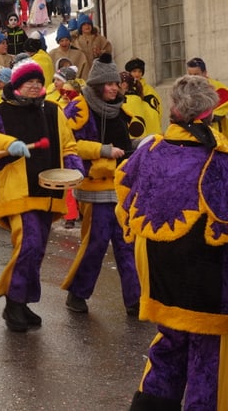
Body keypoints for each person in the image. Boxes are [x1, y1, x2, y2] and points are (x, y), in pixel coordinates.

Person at [117, 74, 228, 410]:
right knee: (206, 357)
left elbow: (124, 187)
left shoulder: (150, 151)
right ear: (210, 112)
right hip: (206, 277)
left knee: (168, 343)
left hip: (159, 271)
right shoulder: (220, 160)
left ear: (174, 109)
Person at [0, 60, 83, 332]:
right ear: (17, 86)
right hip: (18, 191)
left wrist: (74, 166)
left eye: (37, 82)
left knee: (37, 249)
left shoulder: (54, 111)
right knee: (29, 245)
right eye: (28, 83)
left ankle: (21, 302)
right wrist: (9, 144)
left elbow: (68, 144)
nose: (34, 87)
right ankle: (13, 301)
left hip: (49, 191)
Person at [59, 54, 141, 315]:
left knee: (126, 243)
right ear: (97, 85)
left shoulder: (121, 109)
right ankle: (78, 294)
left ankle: (135, 300)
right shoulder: (79, 107)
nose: (114, 88)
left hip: (121, 187)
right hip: (94, 187)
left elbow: (126, 146)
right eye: (108, 84)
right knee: (96, 242)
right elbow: (68, 143)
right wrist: (102, 150)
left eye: (116, 83)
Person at [186, 57, 228, 146]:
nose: (192, 78)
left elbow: (218, 114)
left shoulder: (219, 89)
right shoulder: (184, 90)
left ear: (205, 73)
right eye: (190, 74)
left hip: (214, 134)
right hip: (191, 135)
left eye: (196, 74)